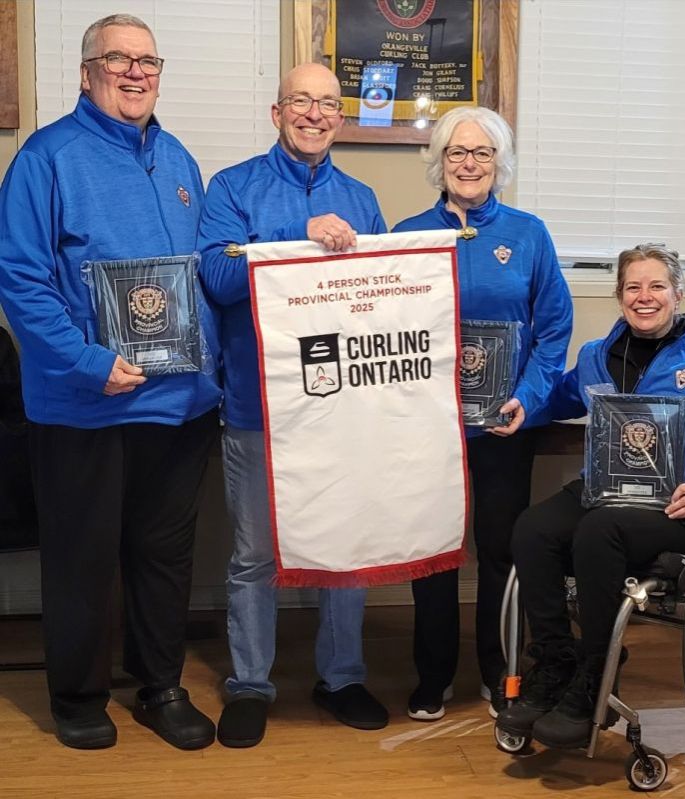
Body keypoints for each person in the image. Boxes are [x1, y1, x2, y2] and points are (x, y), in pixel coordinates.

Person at [0, 15, 221, 750]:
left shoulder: (182, 160)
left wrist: (209, 370)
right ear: (87, 71)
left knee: (164, 559)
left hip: (177, 406)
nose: (135, 72)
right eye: (118, 59)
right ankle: (78, 694)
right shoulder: (45, 158)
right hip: (86, 403)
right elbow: (22, 283)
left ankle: (159, 684)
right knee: (82, 559)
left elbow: (195, 281)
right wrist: (92, 362)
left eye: (147, 60)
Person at [496, 243, 685, 750]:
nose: (643, 297)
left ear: (678, 293)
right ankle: (556, 662)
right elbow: (557, 397)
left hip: (683, 505)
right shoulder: (595, 357)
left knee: (598, 531)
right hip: (608, 489)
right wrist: (519, 406)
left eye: (656, 286)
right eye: (632, 287)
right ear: (619, 295)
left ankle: (595, 675)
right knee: (532, 528)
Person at [196, 63, 388, 748]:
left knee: (345, 545)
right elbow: (217, 276)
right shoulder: (232, 187)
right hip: (256, 402)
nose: (315, 113)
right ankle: (250, 682)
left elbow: (382, 295)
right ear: (277, 111)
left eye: (328, 104)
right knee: (254, 555)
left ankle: (342, 676)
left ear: (341, 117)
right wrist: (302, 237)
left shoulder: (363, 199)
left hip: (341, 407)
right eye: (301, 101)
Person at [393, 106, 573, 721]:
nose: (469, 164)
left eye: (482, 153)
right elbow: (390, 330)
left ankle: (500, 674)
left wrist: (530, 394)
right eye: (456, 153)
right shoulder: (410, 233)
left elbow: (554, 331)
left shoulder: (528, 234)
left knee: (501, 549)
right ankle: (433, 676)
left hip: (503, 424)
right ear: (439, 162)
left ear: (500, 164)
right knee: (435, 550)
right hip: (431, 426)